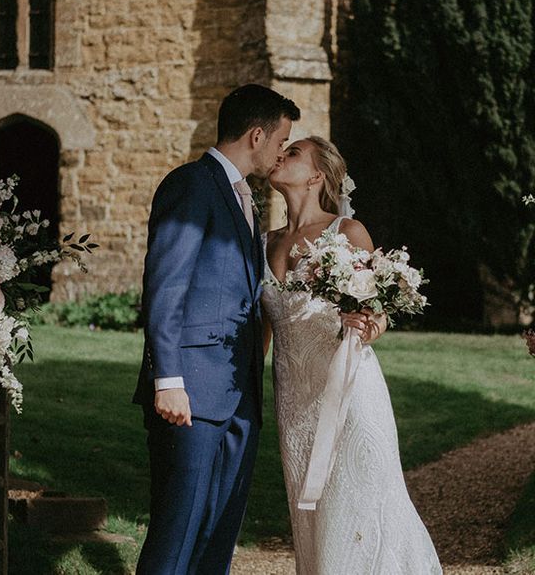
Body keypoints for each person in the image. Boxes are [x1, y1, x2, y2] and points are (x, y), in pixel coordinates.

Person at [133, 84, 300, 574]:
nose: (279, 153)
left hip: (237, 397)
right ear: (256, 135)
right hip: (189, 396)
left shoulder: (243, 198)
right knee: (177, 531)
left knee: (217, 533)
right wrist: (169, 380)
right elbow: (165, 290)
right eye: (279, 141)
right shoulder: (191, 185)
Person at [262, 135, 442, 574]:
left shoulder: (346, 233)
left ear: (317, 175)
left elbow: (376, 312)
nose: (280, 154)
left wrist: (368, 325)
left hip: (349, 391)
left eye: (294, 153)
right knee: (313, 515)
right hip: (294, 400)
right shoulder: (260, 239)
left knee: (361, 503)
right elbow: (261, 330)